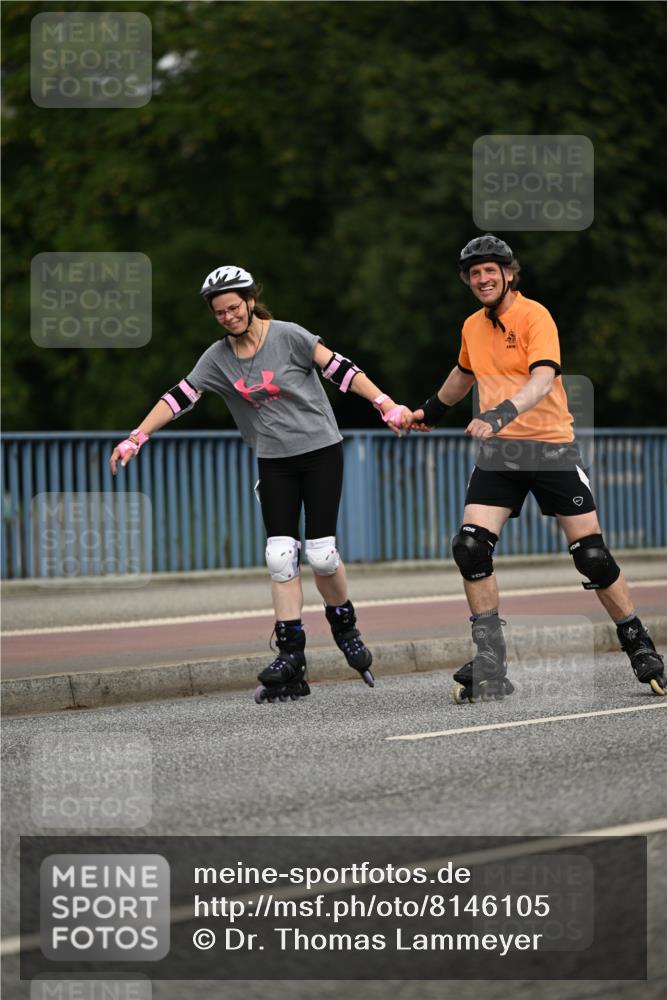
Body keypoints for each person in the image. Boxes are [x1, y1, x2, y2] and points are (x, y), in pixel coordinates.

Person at [110, 265, 411, 704]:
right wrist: (138, 436)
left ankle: (344, 625)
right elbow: (179, 396)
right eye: (219, 313)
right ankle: (291, 655)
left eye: (234, 308)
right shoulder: (217, 358)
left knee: (322, 554)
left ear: (251, 301)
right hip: (274, 460)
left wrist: (385, 403)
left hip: (321, 452)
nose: (229, 317)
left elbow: (341, 370)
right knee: (280, 555)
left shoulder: (288, 336)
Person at [409, 234, 666, 703]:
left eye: (492, 270)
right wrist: (429, 410)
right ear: (468, 281)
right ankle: (490, 660)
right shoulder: (472, 326)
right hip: (500, 455)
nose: (483, 279)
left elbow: (543, 378)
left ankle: (639, 645)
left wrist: (498, 414)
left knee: (590, 554)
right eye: (475, 273)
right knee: (469, 547)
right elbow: (463, 374)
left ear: (509, 273)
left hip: (549, 448)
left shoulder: (534, 315)